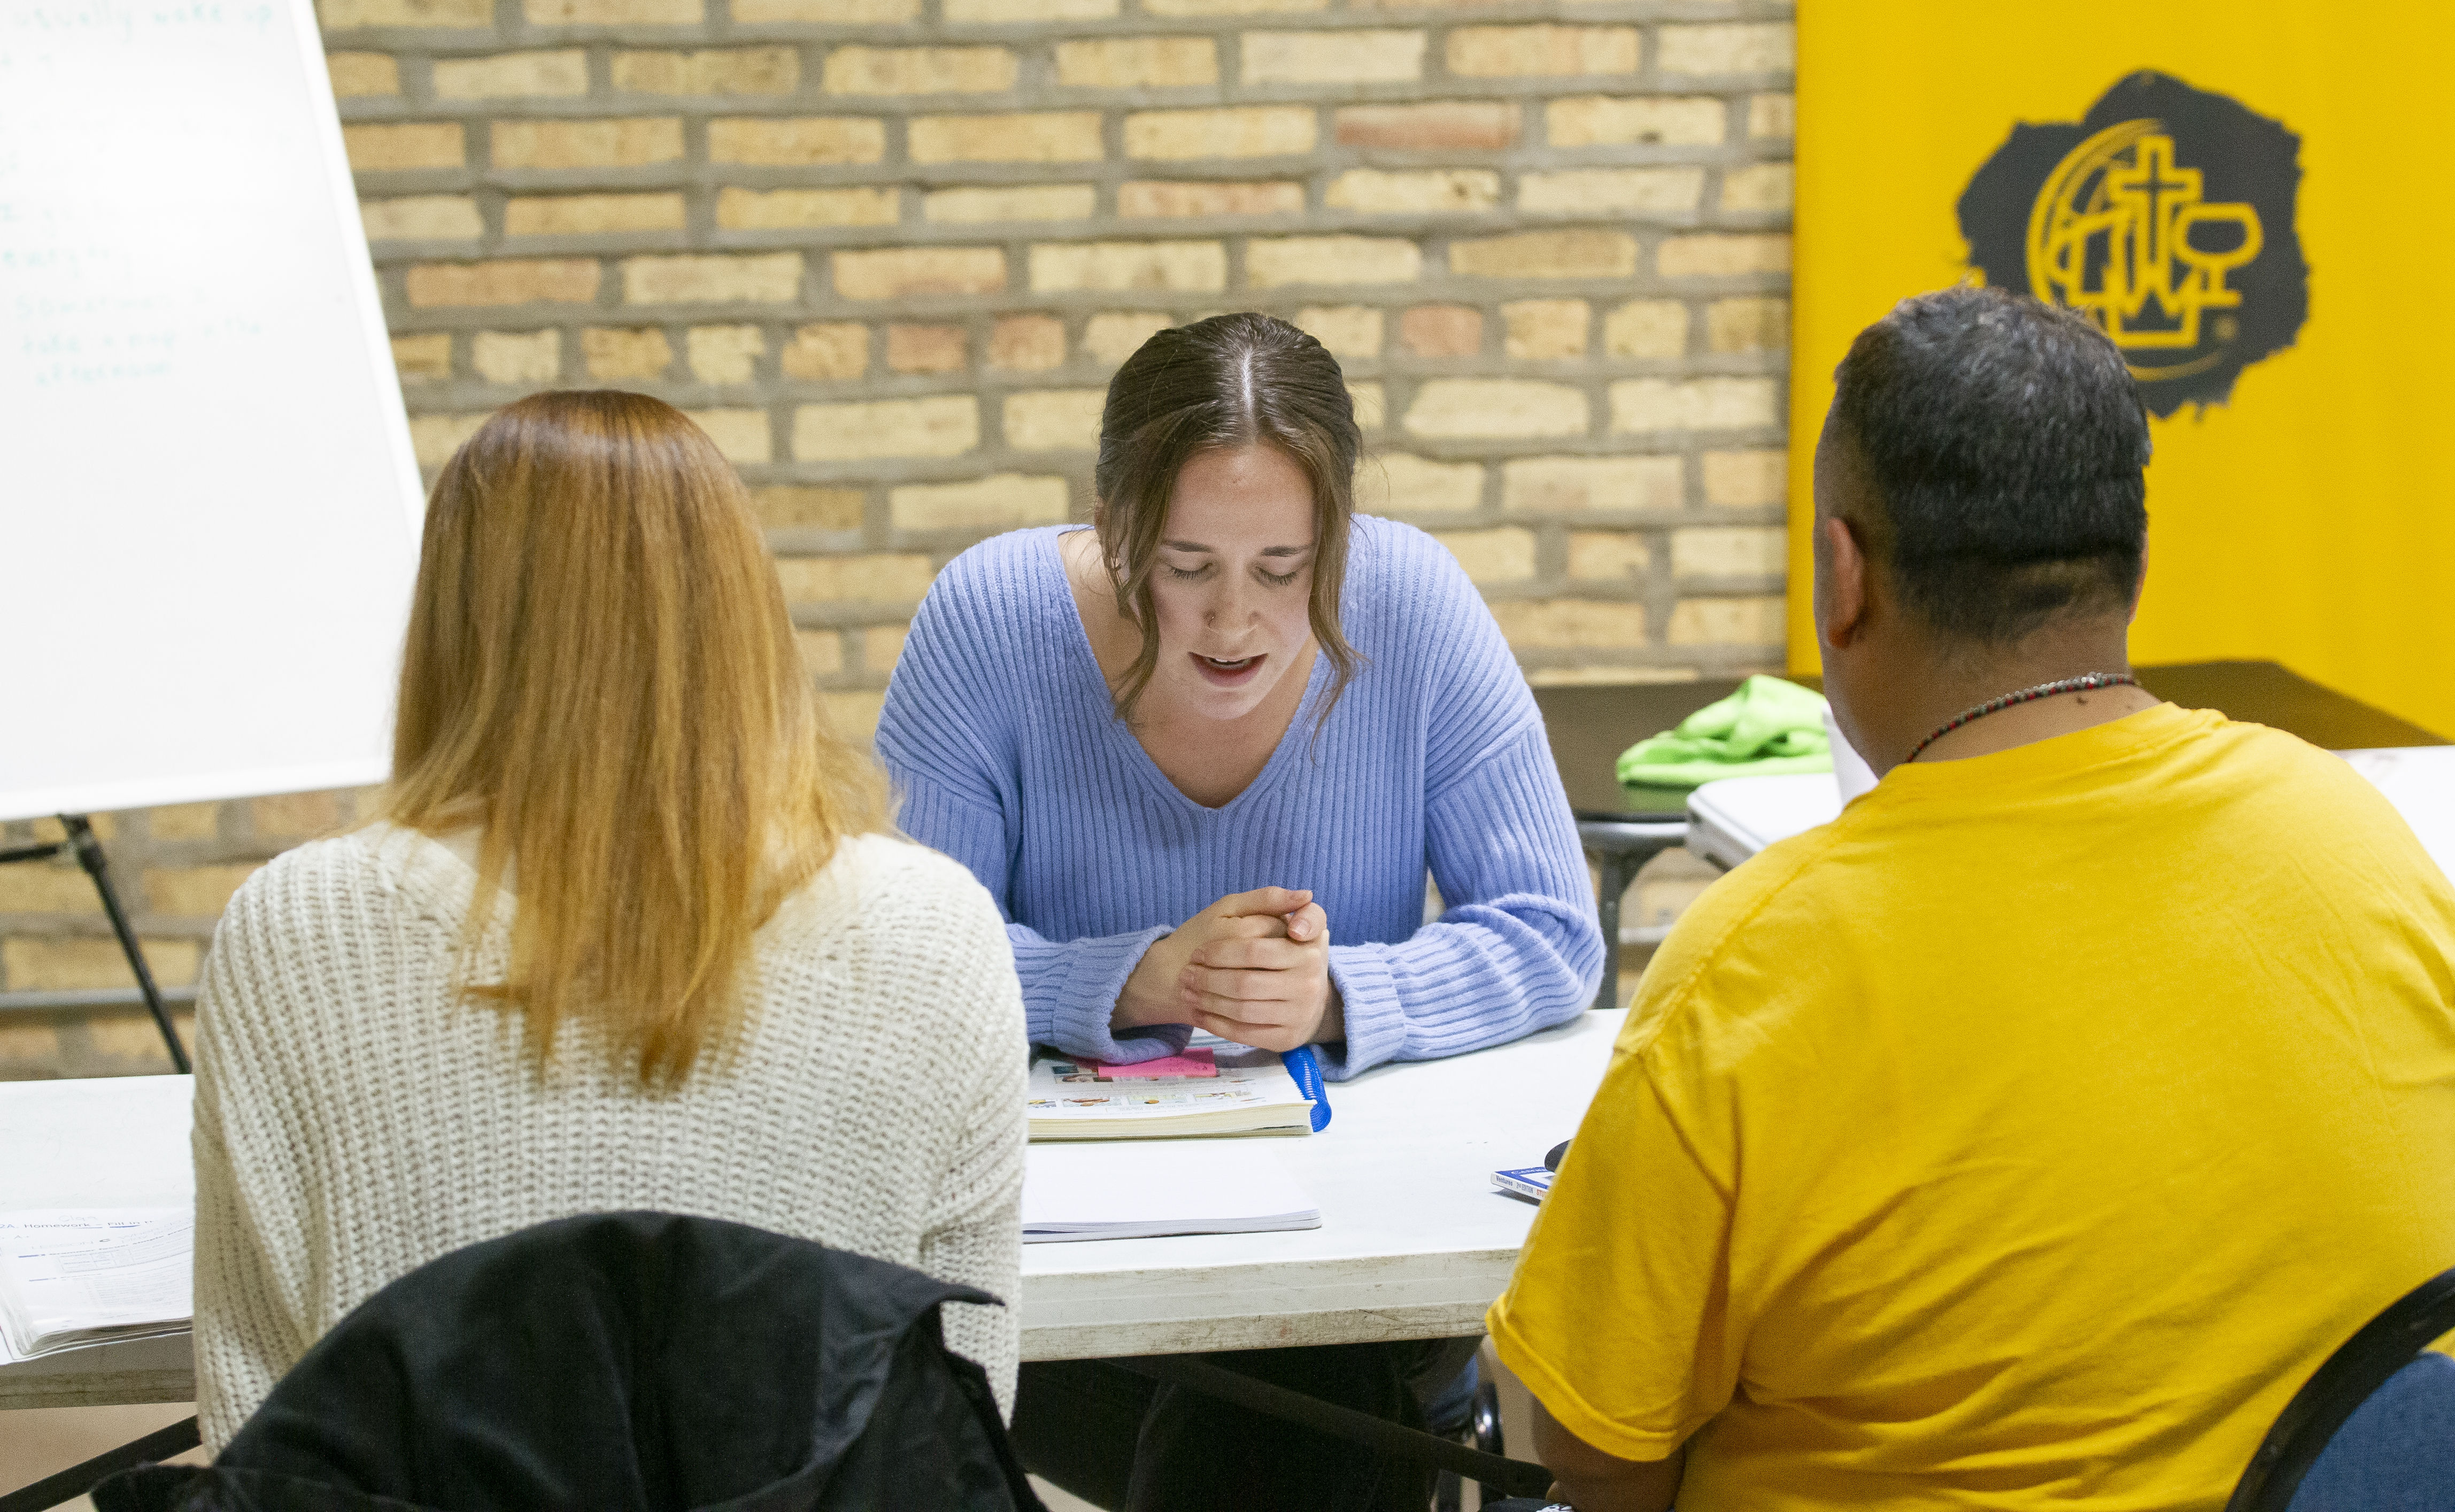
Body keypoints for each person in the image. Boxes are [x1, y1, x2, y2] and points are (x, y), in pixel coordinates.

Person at [1488, 286, 2455, 1510]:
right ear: (2136, 567)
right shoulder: (2362, 848)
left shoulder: (1757, 962)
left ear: (1842, 579)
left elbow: (1594, 1450)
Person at [188, 393, 1027, 1451]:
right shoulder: (935, 930)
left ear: (452, 616)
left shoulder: (297, 928)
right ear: (743, 609)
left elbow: (253, 1428)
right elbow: (965, 1417)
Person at [875, 311, 1602, 1508]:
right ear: (1110, 526)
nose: (1233, 622)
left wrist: (1338, 995)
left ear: (1340, 537)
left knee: (1298, 1407)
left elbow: (1550, 929)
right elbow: (897, 960)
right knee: (1290, 1437)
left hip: (1341, 1279)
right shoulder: (992, 620)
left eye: (1283, 569)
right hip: (1070, 1298)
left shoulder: (1410, 601)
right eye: (1183, 565)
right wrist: (1126, 981)